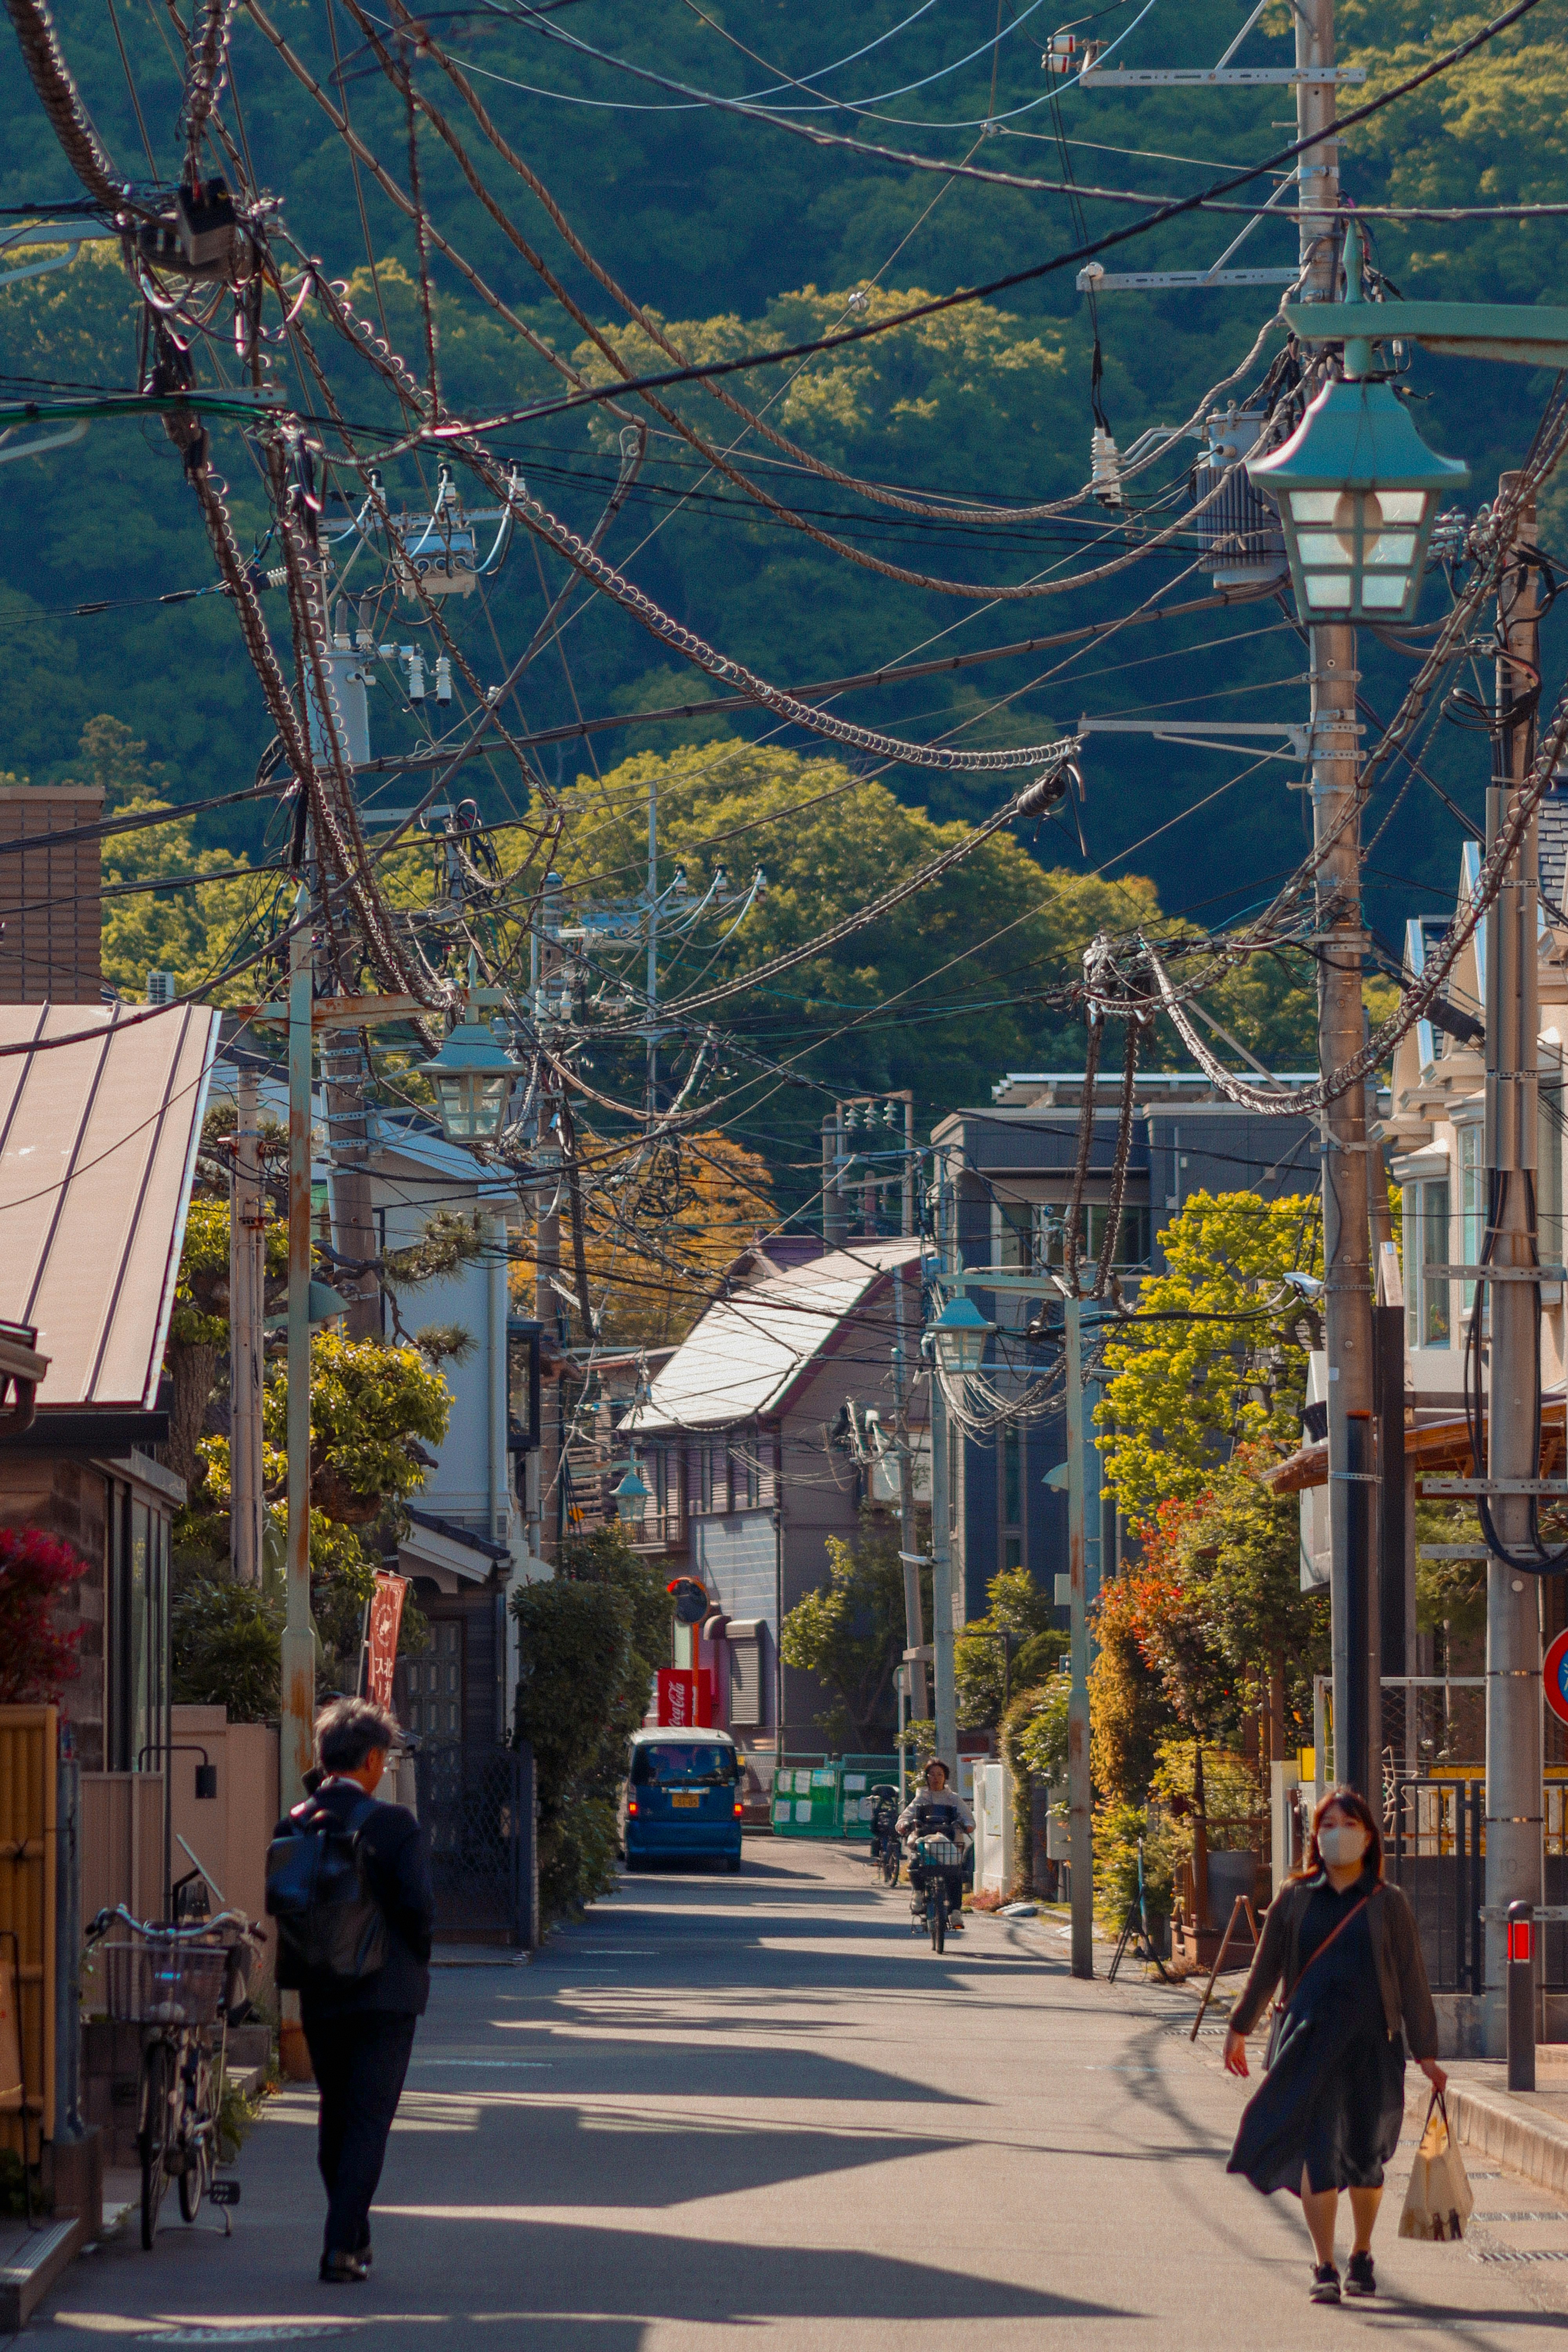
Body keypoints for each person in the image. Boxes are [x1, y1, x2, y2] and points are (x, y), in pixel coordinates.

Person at [1223, 1785, 1445, 2305]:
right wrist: (1240, 2027)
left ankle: (1362, 2253)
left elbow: (1412, 1980)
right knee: (1321, 2154)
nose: (1336, 1835)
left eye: (1348, 1825)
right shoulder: (1294, 1898)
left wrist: (1427, 2053)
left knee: (1367, 2157)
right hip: (1309, 2044)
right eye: (1327, 1826)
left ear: (1368, 1837)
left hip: (1374, 2046)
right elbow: (1266, 1970)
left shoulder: (1388, 1903)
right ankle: (1324, 2265)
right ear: (1315, 1837)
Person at [274, 1697, 434, 2285]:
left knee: (335, 2116)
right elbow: (418, 1910)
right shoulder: (393, 1825)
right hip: (386, 1994)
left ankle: (354, 2235)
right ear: (371, 1759)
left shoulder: (291, 1823)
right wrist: (417, 1959)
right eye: (383, 1759)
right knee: (368, 2122)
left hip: (318, 1988)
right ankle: (341, 2247)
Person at [897, 1759, 974, 1934]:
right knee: (916, 1865)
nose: (936, 1778)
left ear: (946, 1777)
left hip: (949, 1845)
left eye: (940, 1775)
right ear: (927, 1777)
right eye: (932, 1774)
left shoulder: (953, 1799)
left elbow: (968, 1818)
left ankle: (955, 1912)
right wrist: (902, 1825)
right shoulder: (921, 1798)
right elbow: (905, 1817)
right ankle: (918, 1893)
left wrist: (968, 1825)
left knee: (955, 1874)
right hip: (925, 1844)